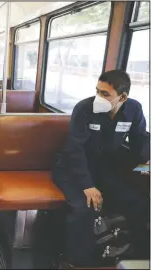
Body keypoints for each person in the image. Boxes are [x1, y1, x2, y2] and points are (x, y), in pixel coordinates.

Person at [52, 70, 150, 268]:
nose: (99, 97)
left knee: (136, 200)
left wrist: (145, 162)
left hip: (105, 169)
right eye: (97, 91)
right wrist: (87, 184)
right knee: (85, 207)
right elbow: (75, 148)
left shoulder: (133, 109)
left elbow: (141, 140)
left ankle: (135, 255)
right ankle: (75, 261)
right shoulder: (84, 108)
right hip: (73, 168)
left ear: (122, 97)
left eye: (105, 94)